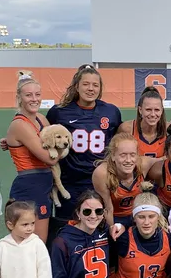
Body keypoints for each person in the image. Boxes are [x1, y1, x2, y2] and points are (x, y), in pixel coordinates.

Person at [46, 64, 122, 218]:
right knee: (67, 226)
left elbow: (118, 141)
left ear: (100, 88)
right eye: (85, 84)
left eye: (95, 85)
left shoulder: (111, 111)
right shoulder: (60, 111)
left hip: (99, 180)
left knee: (99, 225)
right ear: (77, 86)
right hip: (69, 181)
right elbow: (44, 135)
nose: (90, 89)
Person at [4, 78, 61, 244]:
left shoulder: (40, 119)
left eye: (37, 94)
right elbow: (50, 157)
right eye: (28, 95)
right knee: (34, 242)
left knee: (40, 242)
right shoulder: (20, 124)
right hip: (30, 185)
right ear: (19, 97)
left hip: (44, 184)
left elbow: (56, 138)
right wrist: (62, 146)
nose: (34, 99)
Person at [91, 132, 154, 234]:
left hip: (137, 215)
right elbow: (108, 209)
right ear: (113, 156)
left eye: (132, 155)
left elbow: (165, 160)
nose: (128, 160)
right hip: (114, 217)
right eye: (123, 155)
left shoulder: (143, 164)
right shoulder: (102, 174)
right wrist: (112, 231)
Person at [131, 86, 168, 159]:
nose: (153, 114)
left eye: (157, 110)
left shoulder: (168, 130)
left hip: (160, 170)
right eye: (148, 110)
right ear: (140, 110)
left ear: (162, 110)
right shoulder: (128, 129)